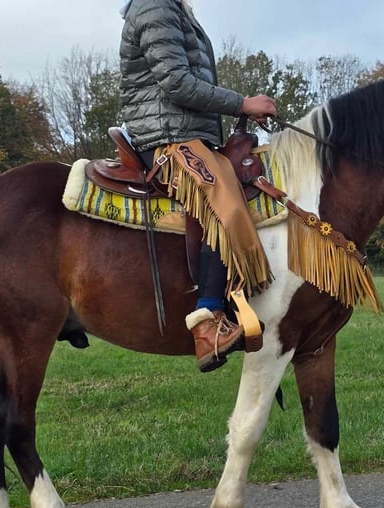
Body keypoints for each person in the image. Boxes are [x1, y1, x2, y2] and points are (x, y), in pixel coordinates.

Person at [119, 0, 278, 372]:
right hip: (167, 137)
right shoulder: (155, 5)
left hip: (187, 132)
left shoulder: (173, 8)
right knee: (223, 199)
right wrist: (243, 104)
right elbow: (176, 82)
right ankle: (208, 320)